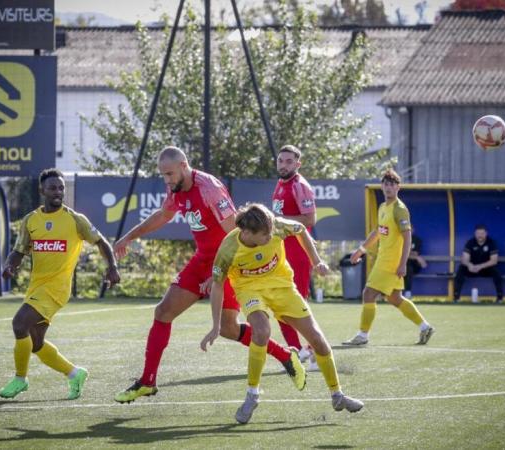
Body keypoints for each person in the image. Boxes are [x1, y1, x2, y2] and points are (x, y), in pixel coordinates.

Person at [113, 146, 303, 403]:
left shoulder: (209, 189)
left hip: (228, 263)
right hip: (202, 260)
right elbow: (163, 215)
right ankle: (148, 381)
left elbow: (236, 236)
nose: (167, 180)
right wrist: (129, 236)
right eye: (163, 176)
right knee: (163, 312)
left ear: (183, 166)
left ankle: (285, 355)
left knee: (227, 328)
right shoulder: (176, 187)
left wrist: (218, 276)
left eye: (169, 174)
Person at [201, 203, 363, 424]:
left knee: (318, 340)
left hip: (283, 286)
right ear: (246, 233)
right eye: (264, 234)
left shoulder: (275, 225)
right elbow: (218, 285)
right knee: (261, 331)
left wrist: (317, 261)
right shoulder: (228, 248)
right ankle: (252, 395)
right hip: (250, 288)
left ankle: (337, 395)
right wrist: (214, 326)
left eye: (271, 232)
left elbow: (301, 229)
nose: (270, 236)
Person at [0, 169, 121, 400]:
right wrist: (10, 266)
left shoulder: (75, 219)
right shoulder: (31, 220)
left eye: (61, 188)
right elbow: (19, 251)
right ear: (42, 190)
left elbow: (102, 242)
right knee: (36, 343)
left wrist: (112, 266)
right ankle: (74, 373)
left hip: (57, 288)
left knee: (19, 323)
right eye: (53, 187)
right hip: (36, 287)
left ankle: (20, 379)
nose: (58, 192)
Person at [343, 169, 434, 346]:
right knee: (394, 298)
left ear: (398, 187)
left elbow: (407, 237)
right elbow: (378, 232)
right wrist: (360, 250)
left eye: (392, 184)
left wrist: (403, 264)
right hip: (384, 260)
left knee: (368, 294)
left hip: (390, 262)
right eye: (385, 184)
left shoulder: (399, 209)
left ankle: (362, 335)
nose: (388, 187)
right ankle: (425, 327)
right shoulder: (383, 207)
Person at [271, 144, 316, 361]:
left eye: (289, 161)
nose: (283, 165)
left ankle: (313, 350)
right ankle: (297, 351)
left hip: (298, 252)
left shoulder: (300, 186)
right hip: (281, 251)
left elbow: (309, 220)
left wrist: (277, 220)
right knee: (278, 303)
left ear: (298, 164)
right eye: (281, 161)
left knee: (297, 305)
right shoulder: (281, 183)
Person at [453, 224, 503, 303]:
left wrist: (480, 266)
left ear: (486, 233)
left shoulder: (491, 242)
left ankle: (499, 298)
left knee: (496, 272)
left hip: (485, 269)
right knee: (461, 269)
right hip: (472, 269)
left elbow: (494, 260)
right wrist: (469, 265)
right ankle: (456, 298)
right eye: (478, 233)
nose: (480, 235)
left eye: (482, 233)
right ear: (475, 234)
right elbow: (464, 259)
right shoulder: (470, 242)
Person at [403, 227, 427, 299]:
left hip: (415, 265)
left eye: (410, 229)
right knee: (407, 267)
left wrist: (409, 254)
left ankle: (407, 292)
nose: (409, 231)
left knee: (409, 267)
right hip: (403, 265)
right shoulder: (401, 239)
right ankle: (407, 292)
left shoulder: (417, 240)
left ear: (413, 230)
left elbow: (416, 253)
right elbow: (400, 253)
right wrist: (414, 256)